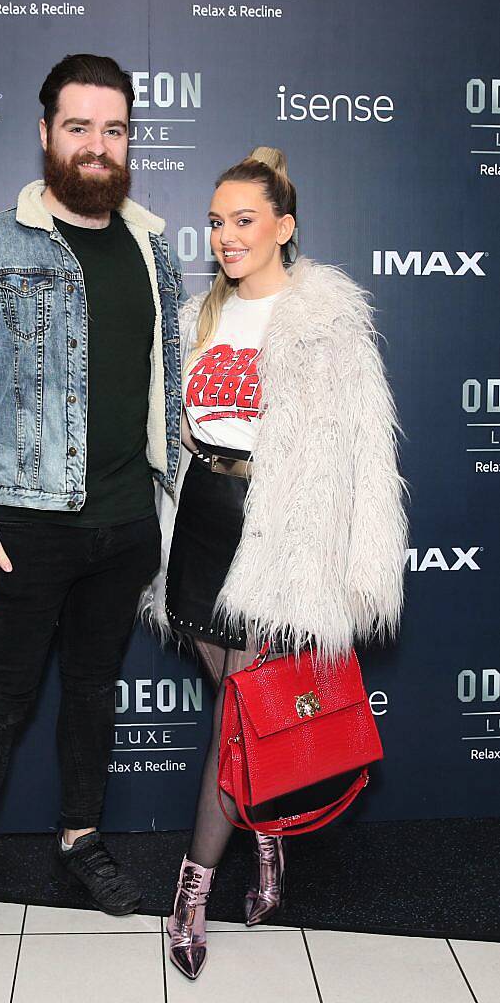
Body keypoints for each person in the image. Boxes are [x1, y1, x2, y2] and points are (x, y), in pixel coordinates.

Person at [0, 53, 187, 975]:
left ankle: (78, 839)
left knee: (95, 692)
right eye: (79, 127)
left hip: (125, 523)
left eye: (114, 129)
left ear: (128, 139)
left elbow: (170, 390)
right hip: (23, 524)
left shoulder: (153, 246)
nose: (98, 146)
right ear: (45, 133)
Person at [142, 147, 408, 980]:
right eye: (217, 222)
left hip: (277, 534)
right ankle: (267, 840)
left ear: (283, 227)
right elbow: (171, 422)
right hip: (201, 524)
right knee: (239, 702)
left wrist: (346, 564)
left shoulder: (323, 319)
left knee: (236, 716)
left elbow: (364, 451)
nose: (225, 236)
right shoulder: (197, 317)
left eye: (243, 220)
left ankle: (192, 890)